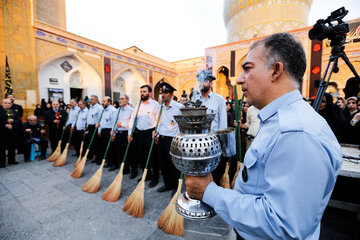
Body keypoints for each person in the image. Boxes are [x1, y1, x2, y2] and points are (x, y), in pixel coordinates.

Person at [184, 33, 342, 240]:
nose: (239, 79)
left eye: (247, 69)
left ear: (276, 70)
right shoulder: (279, 120)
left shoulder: (297, 133)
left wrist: (209, 192)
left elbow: (283, 225)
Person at [195, 70, 227, 184]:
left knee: (214, 171)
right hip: (197, 141)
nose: (201, 83)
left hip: (213, 141)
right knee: (199, 170)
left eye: (205, 80)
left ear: (211, 83)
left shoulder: (219, 100)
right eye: (200, 80)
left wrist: (222, 143)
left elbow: (223, 125)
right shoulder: (195, 100)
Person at [128, 85, 160, 188]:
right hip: (139, 133)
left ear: (150, 93)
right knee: (142, 156)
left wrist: (156, 132)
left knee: (153, 157)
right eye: (141, 91)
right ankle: (146, 175)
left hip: (151, 133)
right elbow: (133, 120)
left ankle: (155, 178)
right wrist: (130, 133)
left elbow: (159, 121)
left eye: (144, 91)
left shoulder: (155, 105)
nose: (142, 93)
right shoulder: (137, 105)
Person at [154, 82, 182, 193]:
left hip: (173, 140)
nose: (163, 95)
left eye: (165, 92)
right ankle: (167, 184)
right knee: (163, 163)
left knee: (173, 164)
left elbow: (182, 125)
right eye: (162, 92)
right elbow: (158, 122)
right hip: (161, 139)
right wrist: (156, 132)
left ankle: (175, 187)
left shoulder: (178, 107)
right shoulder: (160, 107)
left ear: (171, 94)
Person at [110, 94, 134, 172]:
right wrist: (113, 132)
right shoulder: (116, 111)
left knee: (130, 153)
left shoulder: (131, 110)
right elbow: (114, 123)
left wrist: (122, 125)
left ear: (127, 100)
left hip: (127, 133)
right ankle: (125, 169)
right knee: (120, 152)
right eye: (119, 99)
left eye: (122, 99)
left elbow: (132, 124)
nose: (120, 100)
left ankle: (134, 171)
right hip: (119, 133)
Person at [95, 96, 117, 167]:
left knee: (111, 148)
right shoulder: (102, 110)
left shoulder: (113, 110)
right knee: (104, 147)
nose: (102, 103)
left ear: (109, 102)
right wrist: (99, 130)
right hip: (103, 131)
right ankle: (108, 161)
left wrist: (114, 134)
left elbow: (114, 123)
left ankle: (113, 163)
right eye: (102, 101)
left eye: (104, 101)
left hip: (109, 131)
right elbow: (100, 120)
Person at [0, 98, 22, 167]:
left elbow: (19, 121)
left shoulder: (15, 112)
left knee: (12, 147)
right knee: (1, 148)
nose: (7, 104)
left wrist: (13, 121)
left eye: (9, 103)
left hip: (13, 133)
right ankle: (1, 163)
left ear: (11, 104)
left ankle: (11, 160)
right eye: (5, 103)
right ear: (2, 104)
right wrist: (5, 125)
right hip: (2, 133)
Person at [86, 95, 103, 162]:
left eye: (92, 99)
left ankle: (99, 159)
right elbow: (89, 117)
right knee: (92, 143)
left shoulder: (99, 108)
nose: (90, 100)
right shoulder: (90, 107)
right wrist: (87, 126)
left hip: (95, 128)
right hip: (90, 127)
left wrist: (99, 130)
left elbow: (100, 119)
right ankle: (95, 157)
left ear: (96, 100)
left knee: (97, 144)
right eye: (90, 99)